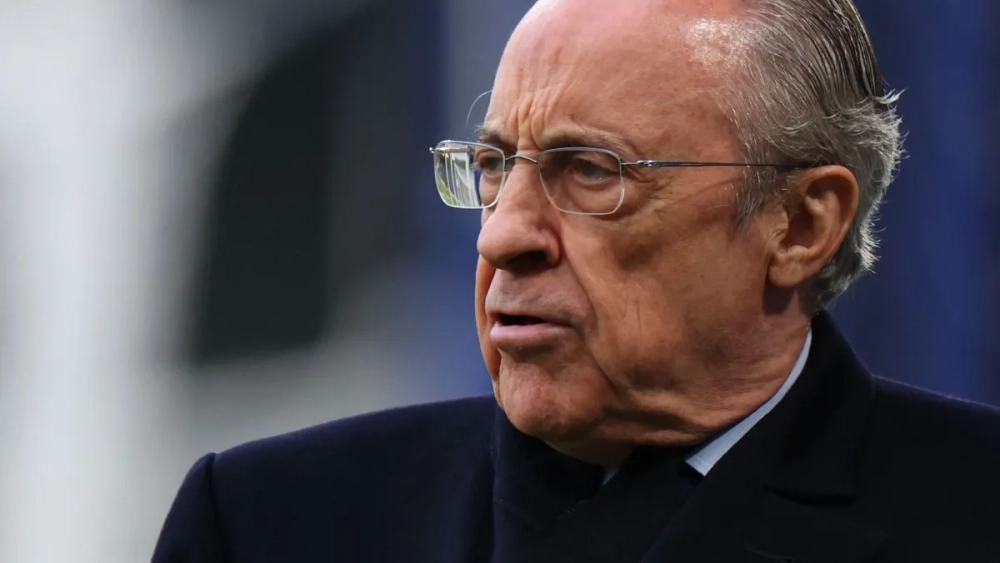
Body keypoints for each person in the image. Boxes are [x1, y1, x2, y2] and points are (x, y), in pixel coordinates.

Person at [152, 0, 1000, 561]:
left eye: (592, 170)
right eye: (493, 166)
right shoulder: (266, 525)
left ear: (802, 223)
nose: (504, 234)